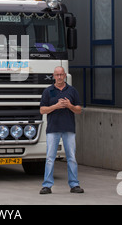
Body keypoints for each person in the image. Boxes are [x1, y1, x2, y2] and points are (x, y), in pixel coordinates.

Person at [39, 66, 84, 194]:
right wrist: (56, 106)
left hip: (69, 129)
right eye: (57, 75)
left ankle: (74, 184)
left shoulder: (72, 91)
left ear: (65, 75)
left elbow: (79, 110)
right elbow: (42, 110)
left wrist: (69, 105)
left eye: (61, 74)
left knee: (71, 157)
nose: (59, 77)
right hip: (53, 129)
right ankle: (47, 185)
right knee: (50, 158)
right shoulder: (48, 91)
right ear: (53, 76)